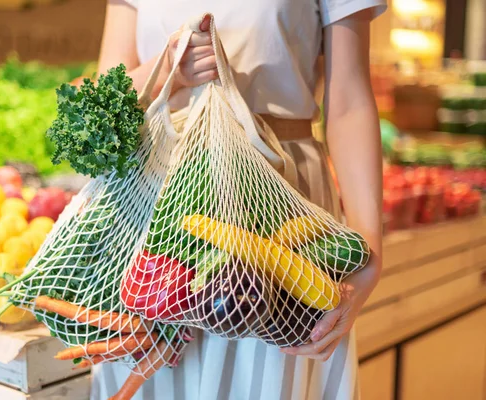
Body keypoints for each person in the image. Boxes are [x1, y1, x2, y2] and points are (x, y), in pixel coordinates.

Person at [91, 1, 386, 399]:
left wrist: (369, 255)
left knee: (269, 378)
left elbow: (350, 102)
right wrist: (166, 72)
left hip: (280, 204)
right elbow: (108, 89)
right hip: (155, 205)